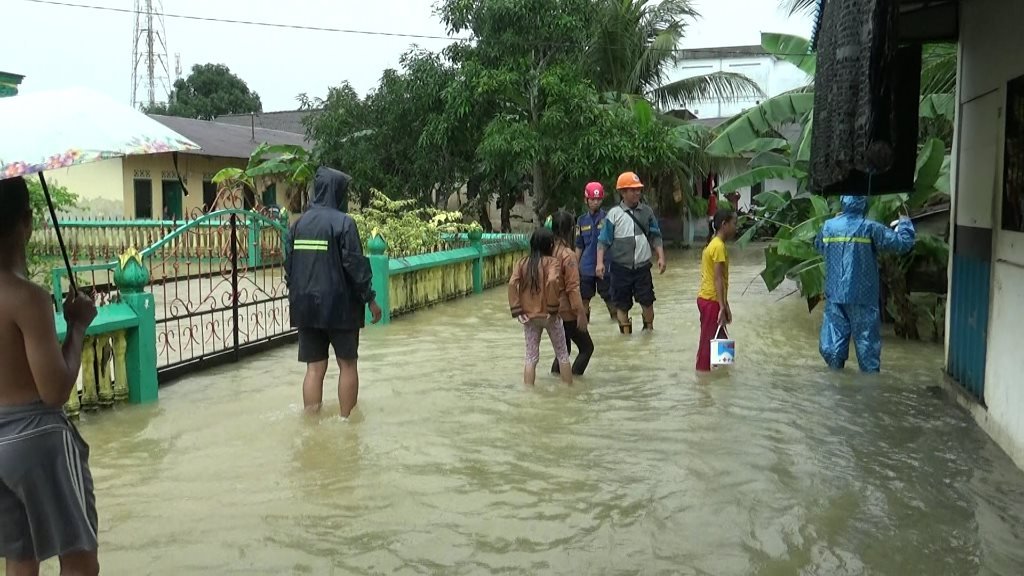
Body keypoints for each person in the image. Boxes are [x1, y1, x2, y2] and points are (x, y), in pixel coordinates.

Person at [0, 176, 101, 576]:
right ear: (27, 220)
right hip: (39, 442)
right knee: (79, 559)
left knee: (20, 560)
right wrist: (77, 326)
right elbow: (55, 390)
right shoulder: (28, 299)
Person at [285, 167, 383, 418]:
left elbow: (289, 266)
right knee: (347, 364)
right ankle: (346, 423)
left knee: (314, 368)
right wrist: (370, 299)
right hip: (340, 307)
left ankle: (310, 422)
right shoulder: (344, 223)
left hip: (305, 306)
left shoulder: (298, 225)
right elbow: (355, 266)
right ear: (337, 192)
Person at [815, 195, 916, 372]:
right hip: (863, 296)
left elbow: (818, 245)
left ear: (843, 202)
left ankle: (835, 386)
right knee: (867, 349)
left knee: (833, 348)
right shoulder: (870, 228)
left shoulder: (829, 226)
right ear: (863, 203)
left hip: (835, 295)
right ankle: (869, 391)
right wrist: (905, 221)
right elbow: (903, 244)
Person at [595, 171, 666, 334]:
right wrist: (599, 263)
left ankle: (648, 332)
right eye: (632, 190)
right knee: (621, 303)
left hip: (642, 267)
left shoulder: (647, 212)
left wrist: (661, 257)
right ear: (622, 192)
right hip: (620, 268)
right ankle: (625, 336)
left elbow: (656, 236)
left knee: (647, 300)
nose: (637, 193)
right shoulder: (614, 214)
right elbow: (603, 241)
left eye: (638, 189)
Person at [508, 227, 573, 386]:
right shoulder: (552, 262)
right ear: (550, 245)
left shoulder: (522, 263)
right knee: (562, 355)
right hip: (549, 316)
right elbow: (551, 281)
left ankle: (529, 392)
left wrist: (517, 310)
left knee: (531, 357)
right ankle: (568, 392)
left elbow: (512, 284)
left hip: (529, 317)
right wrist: (552, 308)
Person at [548, 210, 594, 376]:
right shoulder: (569, 256)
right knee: (587, 348)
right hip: (568, 312)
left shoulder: (548, 251)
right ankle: (573, 380)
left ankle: (556, 380)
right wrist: (580, 313)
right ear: (570, 230)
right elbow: (573, 289)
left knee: (563, 350)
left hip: (552, 309)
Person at [696, 210, 737, 372]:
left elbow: (719, 279)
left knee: (721, 340)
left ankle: (722, 379)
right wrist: (721, 306)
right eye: (734, 223)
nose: (736, 228)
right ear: (724, 225)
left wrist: (725, 305)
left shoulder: (713, 243)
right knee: (707, 343)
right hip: (711, 300)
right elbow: (718, 278)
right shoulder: (718, 246)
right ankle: (703, 381)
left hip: (710, 299)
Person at [575, 182, 616, 321]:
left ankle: (616, 323)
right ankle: (585, 327)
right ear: (586, 200)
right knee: (584, 299)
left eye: (598, 199)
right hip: (586, 267)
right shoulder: (581, 221)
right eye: (592, 199)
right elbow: (579, 245)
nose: (595, 202)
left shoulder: (608, 218)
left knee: (610, 299)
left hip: (606, 266)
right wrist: (575, 266)